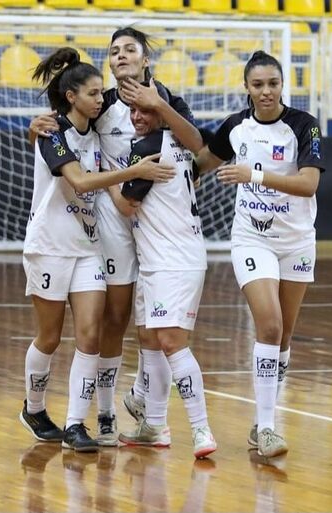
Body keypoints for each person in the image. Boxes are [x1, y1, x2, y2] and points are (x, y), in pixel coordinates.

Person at [29, 27, 202, 446]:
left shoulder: (165, 100)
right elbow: (56, 126)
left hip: (157, 220)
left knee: (155, 318)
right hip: (109, 217)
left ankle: (147, 403)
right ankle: (104, 414)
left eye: (130, 49)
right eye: (114, 51)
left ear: (145, 59)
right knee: (115, 317)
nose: (121, 55)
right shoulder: (99, 101)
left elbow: (198, 145)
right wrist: (33, 128)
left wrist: (159, 104)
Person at [196, 51, 326, 458]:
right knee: (268, 326)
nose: (266, 91)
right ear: (246, 87)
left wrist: (252, 174)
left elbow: (308, 185)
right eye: (258, 85)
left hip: (297, 242)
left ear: (282, 84)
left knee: (283, 336)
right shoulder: (236, 127)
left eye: (272, 83)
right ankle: (268, 427)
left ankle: (262, 423)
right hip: (252, 239)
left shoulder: (305, 126)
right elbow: (201, 164)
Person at [110, 94, 217, 459]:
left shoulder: (150, 146)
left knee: (171, 342)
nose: (137, 117)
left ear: (162, 113)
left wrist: (105, 177)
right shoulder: (181, 141)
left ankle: (201, 429)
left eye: (146, 110)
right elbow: (205, 151)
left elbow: (126, 204)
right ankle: (153, 423)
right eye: (133, 111)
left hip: (173, 259)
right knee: (150, 339)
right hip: (158, 257)